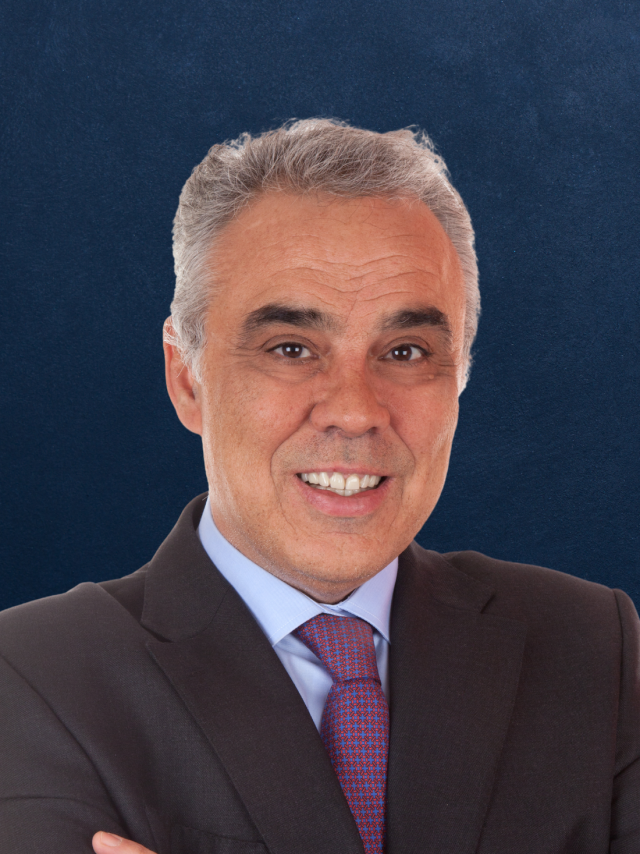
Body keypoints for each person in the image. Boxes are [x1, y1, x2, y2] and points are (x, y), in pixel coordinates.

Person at [1, 119, 638, 854]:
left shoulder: (591, 649)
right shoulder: (30, 678)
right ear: (187, 379)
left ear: (460, 376)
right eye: (291, 348)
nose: (356, 411)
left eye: (406, 351)